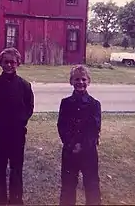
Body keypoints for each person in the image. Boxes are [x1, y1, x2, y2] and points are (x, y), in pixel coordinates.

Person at [0, 47, 34, 205]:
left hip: (17, 133)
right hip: (0, 132)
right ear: (0, 63)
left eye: (12, 62)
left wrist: (21, 121)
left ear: (18, 63)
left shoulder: (25, 86)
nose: (8, 65)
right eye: (5, 62)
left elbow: (29, 107)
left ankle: (16, 198)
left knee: (16, 167)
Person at [57, 65, 102, 206]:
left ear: (88, 81)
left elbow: (94, 129)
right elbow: (62, 126)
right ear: (71, 81)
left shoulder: (94, 104)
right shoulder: (65, 103)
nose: (80, 82)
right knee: (68, 186)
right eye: (77, 79)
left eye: (83, 79)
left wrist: (82, 145)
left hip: (88, 152)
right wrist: (71, 144)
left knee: (92, 185)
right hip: (69, 151)